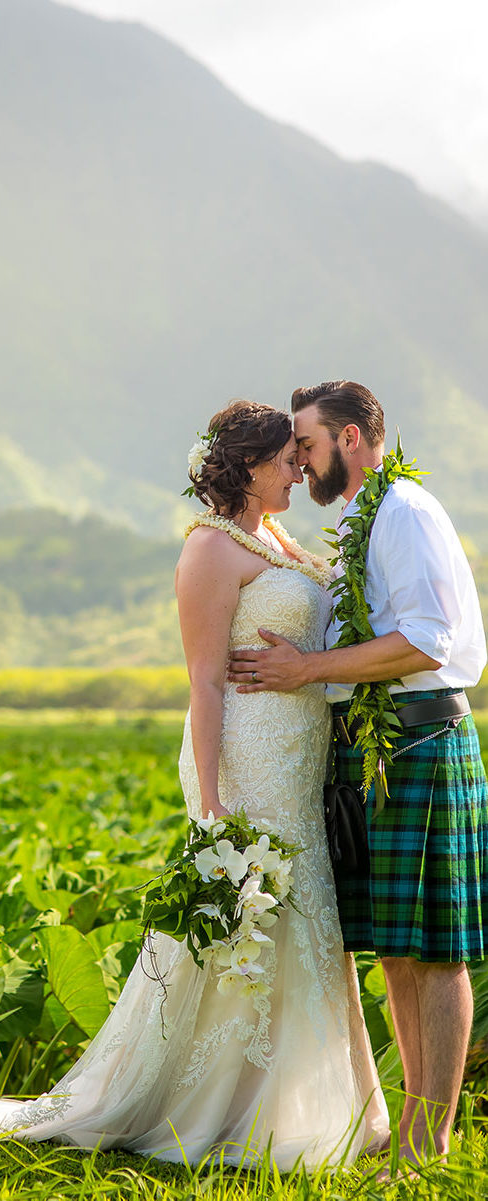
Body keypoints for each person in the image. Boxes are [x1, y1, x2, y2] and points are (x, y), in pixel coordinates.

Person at [0, 399, 389, 1168]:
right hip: (244, 755)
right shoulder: (209, 551)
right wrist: (213, 803)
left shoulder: (273, 535)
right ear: (248, 464)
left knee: (302, 915)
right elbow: (205, 683)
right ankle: (199, 1105)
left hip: (297, 752)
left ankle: (311, 1105)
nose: (296, 469)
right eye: (284, 459)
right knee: (248, 922)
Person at [228, 380, 488, 1169]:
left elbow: (426, 642)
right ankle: (412, 1128)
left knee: (435, 948)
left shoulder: (404, 511)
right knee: (396, 950)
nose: (298, 463)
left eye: (304, 444)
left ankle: (430, 1141)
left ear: (348, 439)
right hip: (372, 749)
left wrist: (306, 668)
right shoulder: (357, 521)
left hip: (419, 738)